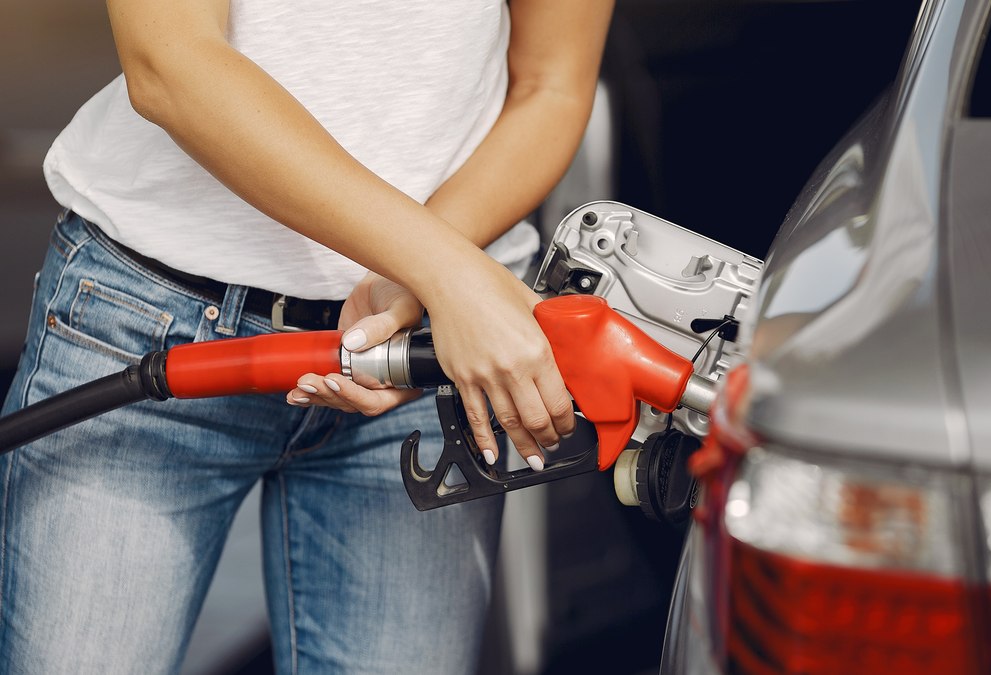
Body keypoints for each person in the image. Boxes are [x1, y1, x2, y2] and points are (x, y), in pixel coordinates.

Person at [0, 0, 613, 672]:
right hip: (150, 322)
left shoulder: (439, 288)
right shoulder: (447, 275)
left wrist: (422, 279)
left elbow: (550, 85)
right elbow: (167, 62)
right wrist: (445, 271)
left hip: (425, 351)